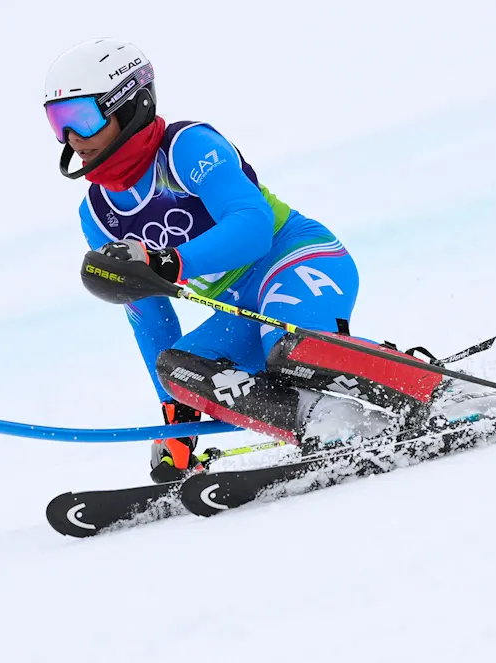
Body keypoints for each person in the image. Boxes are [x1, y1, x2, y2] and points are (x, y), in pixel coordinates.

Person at [44, 38, 445, 483]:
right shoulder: (98, 214)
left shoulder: (186, 147)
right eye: (58, 122)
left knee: (289, 345)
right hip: (240, 309)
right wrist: (176, 423)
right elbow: (151, 319)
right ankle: (325, 420)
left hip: (295, 259)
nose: (72, 138)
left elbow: (252, 228)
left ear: (132, 104)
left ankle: (433, 390)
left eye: (82, 116)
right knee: (179, 371)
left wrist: (165, 263)